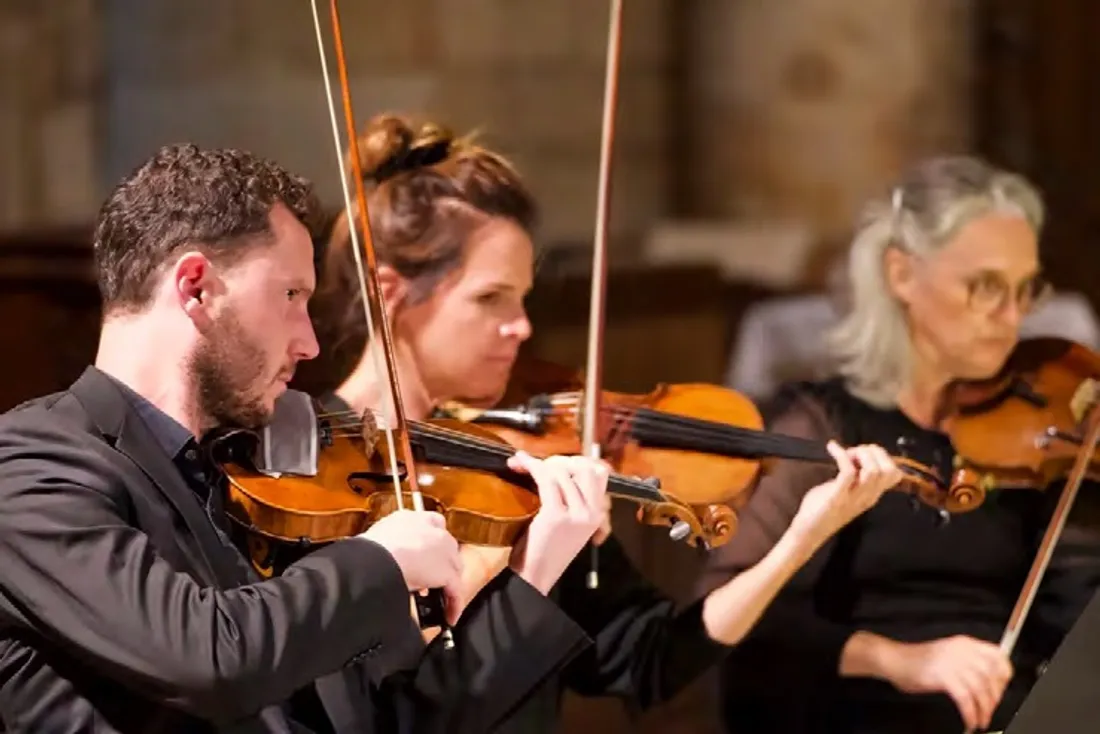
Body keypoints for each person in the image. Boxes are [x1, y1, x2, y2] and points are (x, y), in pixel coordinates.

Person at [307, 112, 906, 733]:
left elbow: (651, 660)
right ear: (388, 293)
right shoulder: (306, 483)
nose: (523, 326)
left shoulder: (516, 474)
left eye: (523, 296)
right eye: (491, 299)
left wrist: (798, 541)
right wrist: (528, 572)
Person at [0, 143, 612, 734]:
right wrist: (382, 559)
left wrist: (532, 574)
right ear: (195, 287)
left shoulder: (258, 484)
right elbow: (211, 658)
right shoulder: (34, 464)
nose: (310, 342)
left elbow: (393, 723)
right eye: (291, 295)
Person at [696, 155, 1100, 734]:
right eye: (985, 287)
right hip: (859, 713)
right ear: (902, 275)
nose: (1011, 316)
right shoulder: (823, 424)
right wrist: (901, 659)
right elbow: (735, 616)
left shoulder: (1038, 436)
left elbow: (1075, 597)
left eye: (1024, 289)